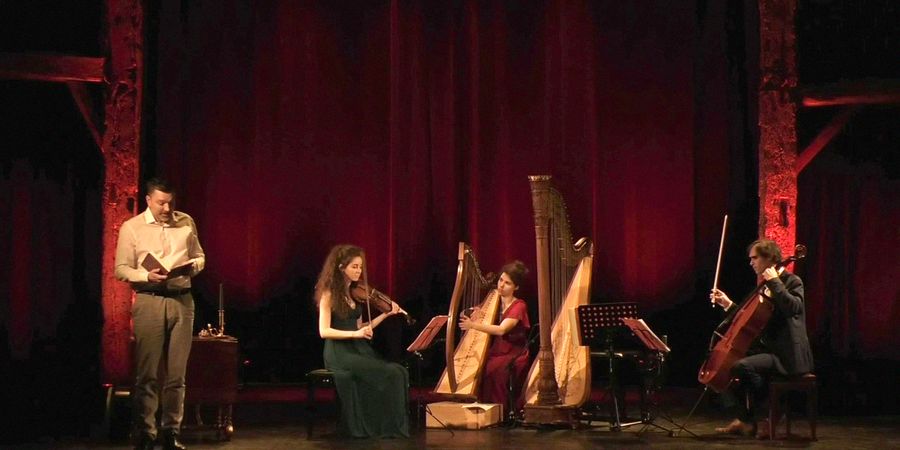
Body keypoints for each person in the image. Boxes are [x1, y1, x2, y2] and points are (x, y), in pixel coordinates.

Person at [115, 178, 205, 450]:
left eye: (170, 202)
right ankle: (145, 431)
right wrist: (146, 275)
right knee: (148, 373)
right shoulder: (132, 228)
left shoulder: (186, 222)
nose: (166, 208)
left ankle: (171, 431)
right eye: (161, 202)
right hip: (150, 300)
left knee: (177, 374)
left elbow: (200, 256)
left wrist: (193, 266)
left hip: (181, 300)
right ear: (148, 200)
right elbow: (121, 268)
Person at [710, 239, 814, 438]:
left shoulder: (793, 281)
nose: (751, 262)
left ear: (770, 259)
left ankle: (770, 413)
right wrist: (728, 304)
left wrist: (775, 281)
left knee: (742, 367)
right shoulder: (764, 285)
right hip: (770, 351)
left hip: (788, 355)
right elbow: (752, 320)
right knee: (727, 367)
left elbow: (794, 308)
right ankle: (746, 419)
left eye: (755, 258)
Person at [314, 244, 409, 438]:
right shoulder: (328, 293)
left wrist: (386, 314)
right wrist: (355, 335)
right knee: (391, 373)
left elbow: (360, 326)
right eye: (354, 267)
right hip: (339, 352)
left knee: (399, 371)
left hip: (357, 348)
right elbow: (324, 331)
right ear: (341, 267)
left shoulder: (354, 293)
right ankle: (383, 427)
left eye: (360, 267)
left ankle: (386, 426)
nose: (359, 271)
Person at [459, 260, 531, 414]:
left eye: (507, 283)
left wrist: (473, 326)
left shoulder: (519, 305)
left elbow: (501, 330)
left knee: (495, 370)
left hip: (514, 352)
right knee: (479, 367)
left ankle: (500, 411)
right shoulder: (493, 301)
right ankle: (483, 411)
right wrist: (472, 313)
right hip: (497, 351)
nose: (501, 285)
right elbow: (470, 314)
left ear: (516, 287)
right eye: (500, 280)